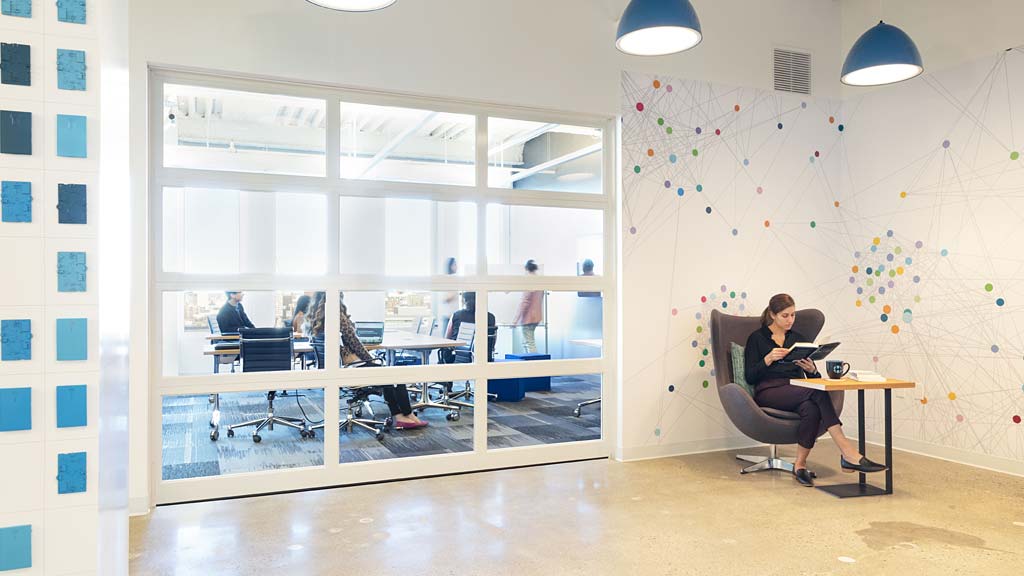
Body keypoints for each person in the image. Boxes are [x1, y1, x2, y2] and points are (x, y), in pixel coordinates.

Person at [744, 293, 886, 487]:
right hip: (769, 391)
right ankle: (847, 451)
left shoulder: (797, 339)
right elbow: (750, 376)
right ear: (772, 314)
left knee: (811, 408)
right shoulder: (757, 338)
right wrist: (768, 359)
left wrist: (811, 370)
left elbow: (813, 381)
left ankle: (800, 466)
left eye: (793, 315)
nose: (790, 320)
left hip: (796, 388)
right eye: (785, 315)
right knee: (816, 392)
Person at [309, 292, 427, 430]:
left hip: (340, 368)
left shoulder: (318, 320)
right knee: (396, 374)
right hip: (352, 367)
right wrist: (371, 360)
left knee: (388, 376)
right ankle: (406, 415)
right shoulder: (337, 317)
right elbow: (354, 343)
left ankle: (401, 416)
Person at [443, 292, 496, 361]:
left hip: (458, 357)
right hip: (484, 359)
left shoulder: (456, 315)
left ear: (464, 300)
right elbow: (493, 341)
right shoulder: (491, 317)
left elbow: (447, 338)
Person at [513, 259, 543, 354]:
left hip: (529, 318)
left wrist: (515, 320)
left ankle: (533, 364)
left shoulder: (529, 281)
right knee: (527, 342)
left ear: (526, 269)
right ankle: (531, 363)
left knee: (529, 342)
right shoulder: (539, 281)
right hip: (536, 317)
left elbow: (524, 302)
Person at [439, 257, 459, 338]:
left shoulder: (455, 279)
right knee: (446, 341)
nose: (457, 266)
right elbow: (444, 299)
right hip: (447, 315)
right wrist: (454, 293)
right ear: (450, 266)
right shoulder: (447, 279)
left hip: (454, 315)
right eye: (455, 264)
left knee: (452, 341)